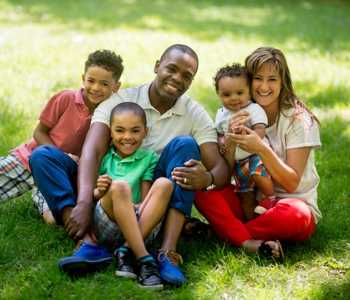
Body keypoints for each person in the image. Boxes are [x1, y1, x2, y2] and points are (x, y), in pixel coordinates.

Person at [51, 44, 229, 286]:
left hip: (155, 197)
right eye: (172, 69)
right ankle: (87, 239)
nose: (178, 78)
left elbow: (220, 168)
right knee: (44, 157)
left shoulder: (193, 112)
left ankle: (167, 252)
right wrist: (84, 201)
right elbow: (92, 149)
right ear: (157, 66)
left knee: (185, 145)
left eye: (187, 75)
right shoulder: (122, 100)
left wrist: (206, 179)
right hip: (112, 188)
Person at [195, 47, 321, 259]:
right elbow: (225, 175)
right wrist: (230, 140)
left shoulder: (298, 120)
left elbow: (292, 183)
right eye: (258, 79)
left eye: (272, 79)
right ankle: (249, 241)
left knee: (297, 214)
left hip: (287, 206)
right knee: (202, 188)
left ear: (283, 82)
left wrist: (261, 147)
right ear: (247, 82)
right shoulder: (236, 113)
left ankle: (227, 234)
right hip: (249, 203)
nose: (264, 86)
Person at [1, 49, 122, 225]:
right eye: (91, 81)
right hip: (29, 158)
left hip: (61, 174)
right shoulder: (66, 98)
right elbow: (39, 132)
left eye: (104, 84)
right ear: (83, 78)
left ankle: (44, 198)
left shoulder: (112, 115)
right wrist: (59, 154)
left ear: (116, 86)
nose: (96, 88)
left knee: (53, 221)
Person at [60, 102, 173, 289]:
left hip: (140, 224)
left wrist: (136, 207)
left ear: (145, 132)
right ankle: (144, 260)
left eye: (135, 131)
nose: (127, 137)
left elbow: (144, 200)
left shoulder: (149, 158)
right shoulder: (105, 159)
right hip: (108, 223)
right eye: (120, 130)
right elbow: (96, 197)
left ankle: (126, 250)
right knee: (119, 187)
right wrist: (100, 191)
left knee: (165, 184)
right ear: (110, 133)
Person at [214, 63, 274, 220]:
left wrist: (249, 136)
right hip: (238, 162)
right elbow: (220, 136)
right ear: (219, 94)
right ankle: (250, 224)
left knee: (258, 174)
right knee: (244, 194)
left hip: (256, 154)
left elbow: (260, 129)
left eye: (239, 93)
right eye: (227, 95)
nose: (234, 98)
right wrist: (224, 141)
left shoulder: (253, 109)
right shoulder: (221, 114)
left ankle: (270, 198)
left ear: (249, 91)